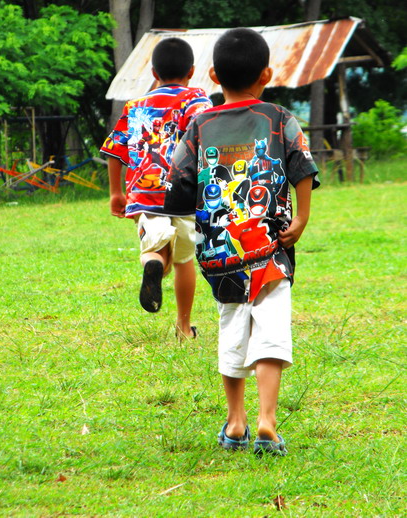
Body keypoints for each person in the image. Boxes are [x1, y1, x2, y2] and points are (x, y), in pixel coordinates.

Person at [164, 27, 319, 454]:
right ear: (266, 74)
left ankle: (236, 423)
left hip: (219, 253)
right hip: (271, 248)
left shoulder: (199, 125)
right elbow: (302, 169)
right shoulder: (279, 119)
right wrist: (302, 217)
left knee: (232, 327)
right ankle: (268, 419)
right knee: (271, 327)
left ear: (213, 76)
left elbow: (177, 187)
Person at [100, 37, 212, 339]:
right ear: (191, 71)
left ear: (153, 72)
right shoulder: (198, 101)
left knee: (154, 248)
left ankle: (151, 264)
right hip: (187, 195)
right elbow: (208, 144)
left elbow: (115, 150)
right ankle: (183, 326)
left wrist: (115, 193)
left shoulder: (135, 107)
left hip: (145, 193)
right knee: (184, 260)